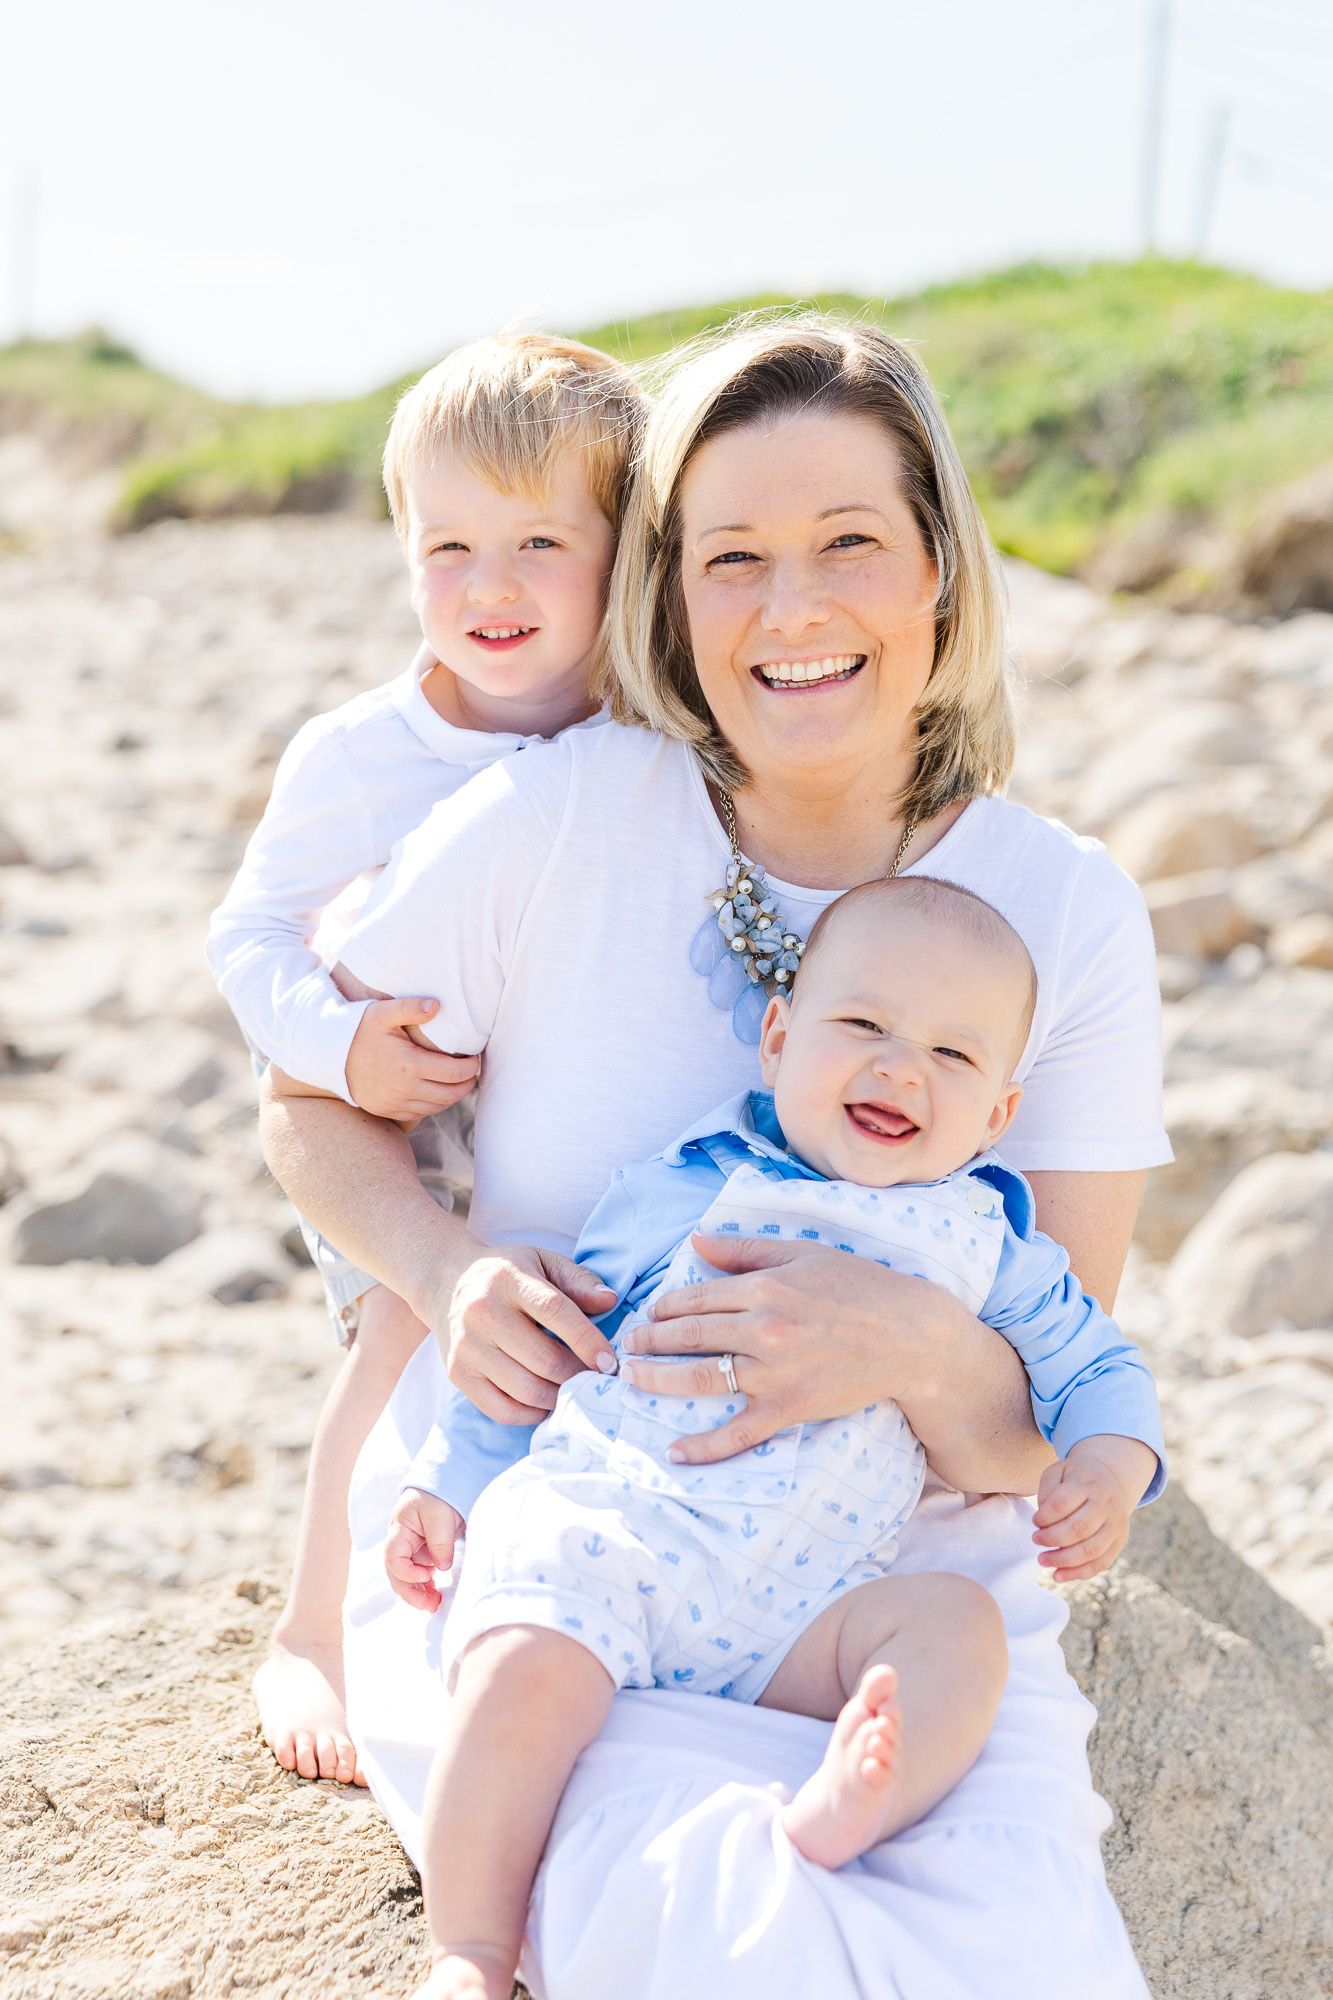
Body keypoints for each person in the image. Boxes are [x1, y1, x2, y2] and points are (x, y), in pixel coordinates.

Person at [263, 312, 1171, 1998]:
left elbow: (1029, 1429)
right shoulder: (558, 815)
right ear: (671, 599)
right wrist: (447, 1272)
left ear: (939, 582)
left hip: (885, 1579)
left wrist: (903, 1350)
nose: (790, 610)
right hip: (565, 1519)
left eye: (847, 546)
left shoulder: (1062, 913)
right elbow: (306, 1108)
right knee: (700, 1927)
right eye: (731, 557)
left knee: (1002, 1957)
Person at [381, 877, 1164, 2000]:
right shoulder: (688, 1182)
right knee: (518, 1659)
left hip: (804, 1602)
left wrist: (1109, 1461)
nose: (900, 1068)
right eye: (863, 1025)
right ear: (779, 1037)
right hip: (625, 1532)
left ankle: (856, 1798)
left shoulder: (991, 1243)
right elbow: (549, 1341)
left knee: (956, 1626)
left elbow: (1101, 1367)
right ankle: (468, 1945)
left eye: (953, 1054)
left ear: (997, 1112)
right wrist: (447, 1483)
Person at [206, 331, 644, 1785]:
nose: (489, 586)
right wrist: (340, 1044)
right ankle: (310, 1631)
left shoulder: (640, 732)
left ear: (619, 546)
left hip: (556, 1114)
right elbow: (248, 937)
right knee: (409, 1328)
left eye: (538, 541)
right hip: (404, 1135)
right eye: (446, 545)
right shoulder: (360, 754)